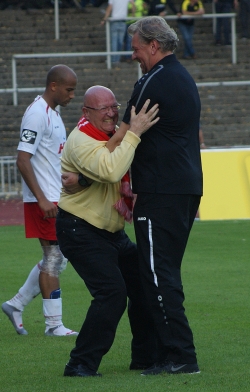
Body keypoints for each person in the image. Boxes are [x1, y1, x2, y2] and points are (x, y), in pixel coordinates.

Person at [118, 15, 203, 375]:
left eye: (136, 48)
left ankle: (181, 356)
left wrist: (80, 169)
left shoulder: (152, 83)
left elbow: (119, 139)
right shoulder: (182, 77)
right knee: (162, 272)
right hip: (184, 188)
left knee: (157, 274)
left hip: (160, 190)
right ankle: (160, 354)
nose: (133, 55)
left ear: (154, 45)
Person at [56, 85, 160, 377]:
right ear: (85, 113)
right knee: (112, 293)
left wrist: (85, 180)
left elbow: (112, 155)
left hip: (109, 232)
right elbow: (111, 170)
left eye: (114, 106)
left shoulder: (111, 137)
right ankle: (79, 364)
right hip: (80, 228)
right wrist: (135, 132)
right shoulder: (80, 139)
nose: (112, 112)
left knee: (142, 284)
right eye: (103, 108)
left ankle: (145, 358)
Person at [1, 65, 78, 337]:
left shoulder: (53, 113)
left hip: (55, 198)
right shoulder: (36, 114)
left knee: (59, 257)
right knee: (54, 258)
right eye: (69, 90)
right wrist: (43, 198)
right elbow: (22, 159)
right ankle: (53, 325)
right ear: (54, 86)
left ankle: (16, 304)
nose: (72, 96)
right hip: (42, 201)